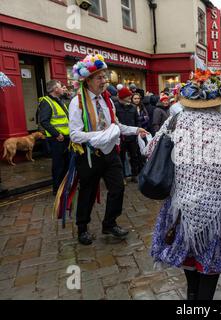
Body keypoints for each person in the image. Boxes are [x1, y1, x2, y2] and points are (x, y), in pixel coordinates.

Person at [147, 71, 221, 301]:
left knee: (189, 264)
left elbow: (150, 151)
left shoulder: (175, 121)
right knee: (210, 265)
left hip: (180, 206)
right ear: (218, 102)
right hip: (216, 208)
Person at [68, 54, 148, 245]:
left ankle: (109, 223)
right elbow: (75, 135)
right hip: (89, 155)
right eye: (100, 77)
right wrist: (100, 136)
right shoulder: (77, 103)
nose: (104, 81)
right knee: (87, 191)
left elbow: (116, 125)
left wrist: (136, 130)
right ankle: (82, 228)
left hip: (111, 153)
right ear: (88, 80)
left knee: (118, 188)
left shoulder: (107, 100)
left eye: (105, 77)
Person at [38, 80, 70, 195]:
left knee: (66, 164)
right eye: (61, 87)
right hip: (57, 139)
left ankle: (65, 187)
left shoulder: (59, 100)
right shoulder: (47, 102)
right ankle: (57, 190)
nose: (63, 88)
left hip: (66, 138)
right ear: (55, 89)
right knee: (59, 166)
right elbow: (44, 121)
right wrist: (57, 134)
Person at [116, 90, 141, 182]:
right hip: (121, 137)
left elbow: (137, 120)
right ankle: (122, 177)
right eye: (128, 97)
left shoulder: (133, 107)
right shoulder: (115, 107)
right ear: (123, 97)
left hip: (132, 136)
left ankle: (135, 175)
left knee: (134, 156)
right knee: (121, 158)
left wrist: (138, 130)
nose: (130, 98)